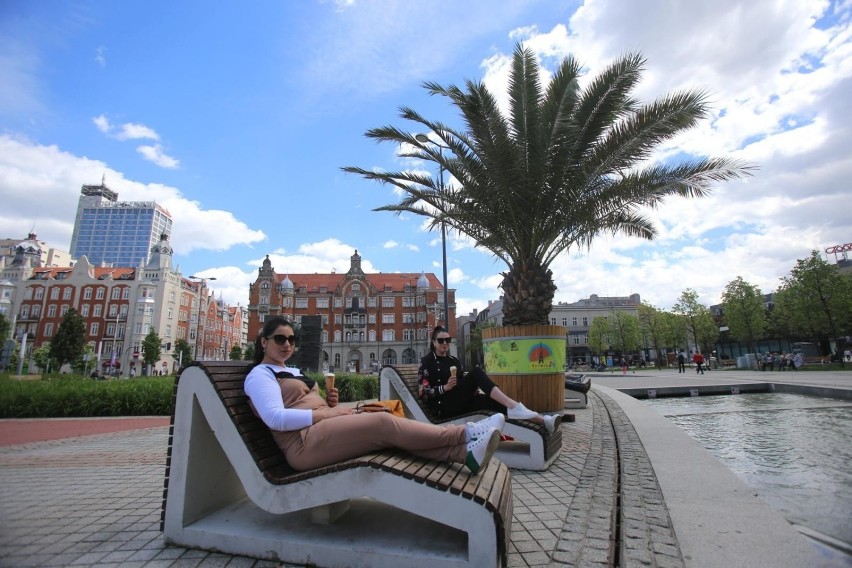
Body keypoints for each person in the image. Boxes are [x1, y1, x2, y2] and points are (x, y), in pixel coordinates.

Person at [244, 317, 503, 475]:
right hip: (302, 444)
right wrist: (328, 412)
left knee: (386, 423)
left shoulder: (291, 370)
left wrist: (329, 403)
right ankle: (466, 433)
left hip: (321, 430)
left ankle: (463, 454)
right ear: (263, 342)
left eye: (292, 339)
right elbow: (275, 419)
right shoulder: (260, 374)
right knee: (382, 424)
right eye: (280, 339)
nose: (287, 344)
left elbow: (305, 405)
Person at [417, 326, 560, 434]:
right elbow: (423, 392)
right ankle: (514, 405)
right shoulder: (427, 362)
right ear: (434, 342)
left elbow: (461, 384)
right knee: (477, 372)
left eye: (447, 340)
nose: (445, 343)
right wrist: (444, 388)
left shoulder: (453, 360)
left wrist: (471, 390)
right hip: (443, 407)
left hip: (460, 402)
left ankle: (543, 421)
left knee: (494, 403)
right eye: (441, 340)